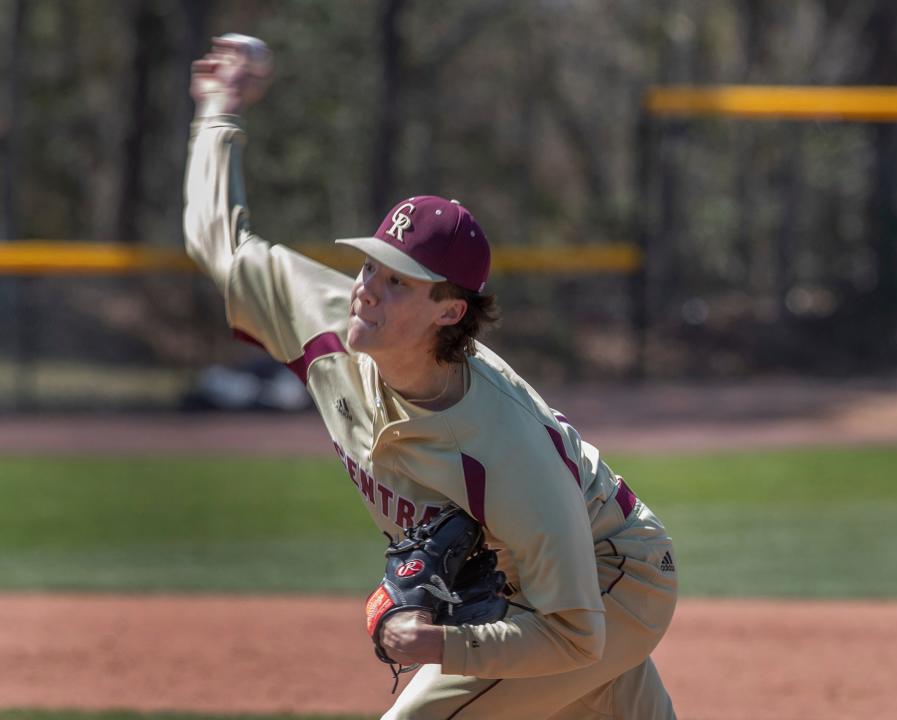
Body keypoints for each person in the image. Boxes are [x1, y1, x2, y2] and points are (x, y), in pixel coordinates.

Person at [185, 35, 678, 720]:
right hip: (539, 583)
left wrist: (439, 644)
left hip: (605, 585)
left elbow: (574, 632)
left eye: (395, 282)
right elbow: (222, 244)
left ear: (448, 311)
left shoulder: (501, 448)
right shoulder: (328, 325)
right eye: (367, 268)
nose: (365, 291)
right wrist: (218, 109)